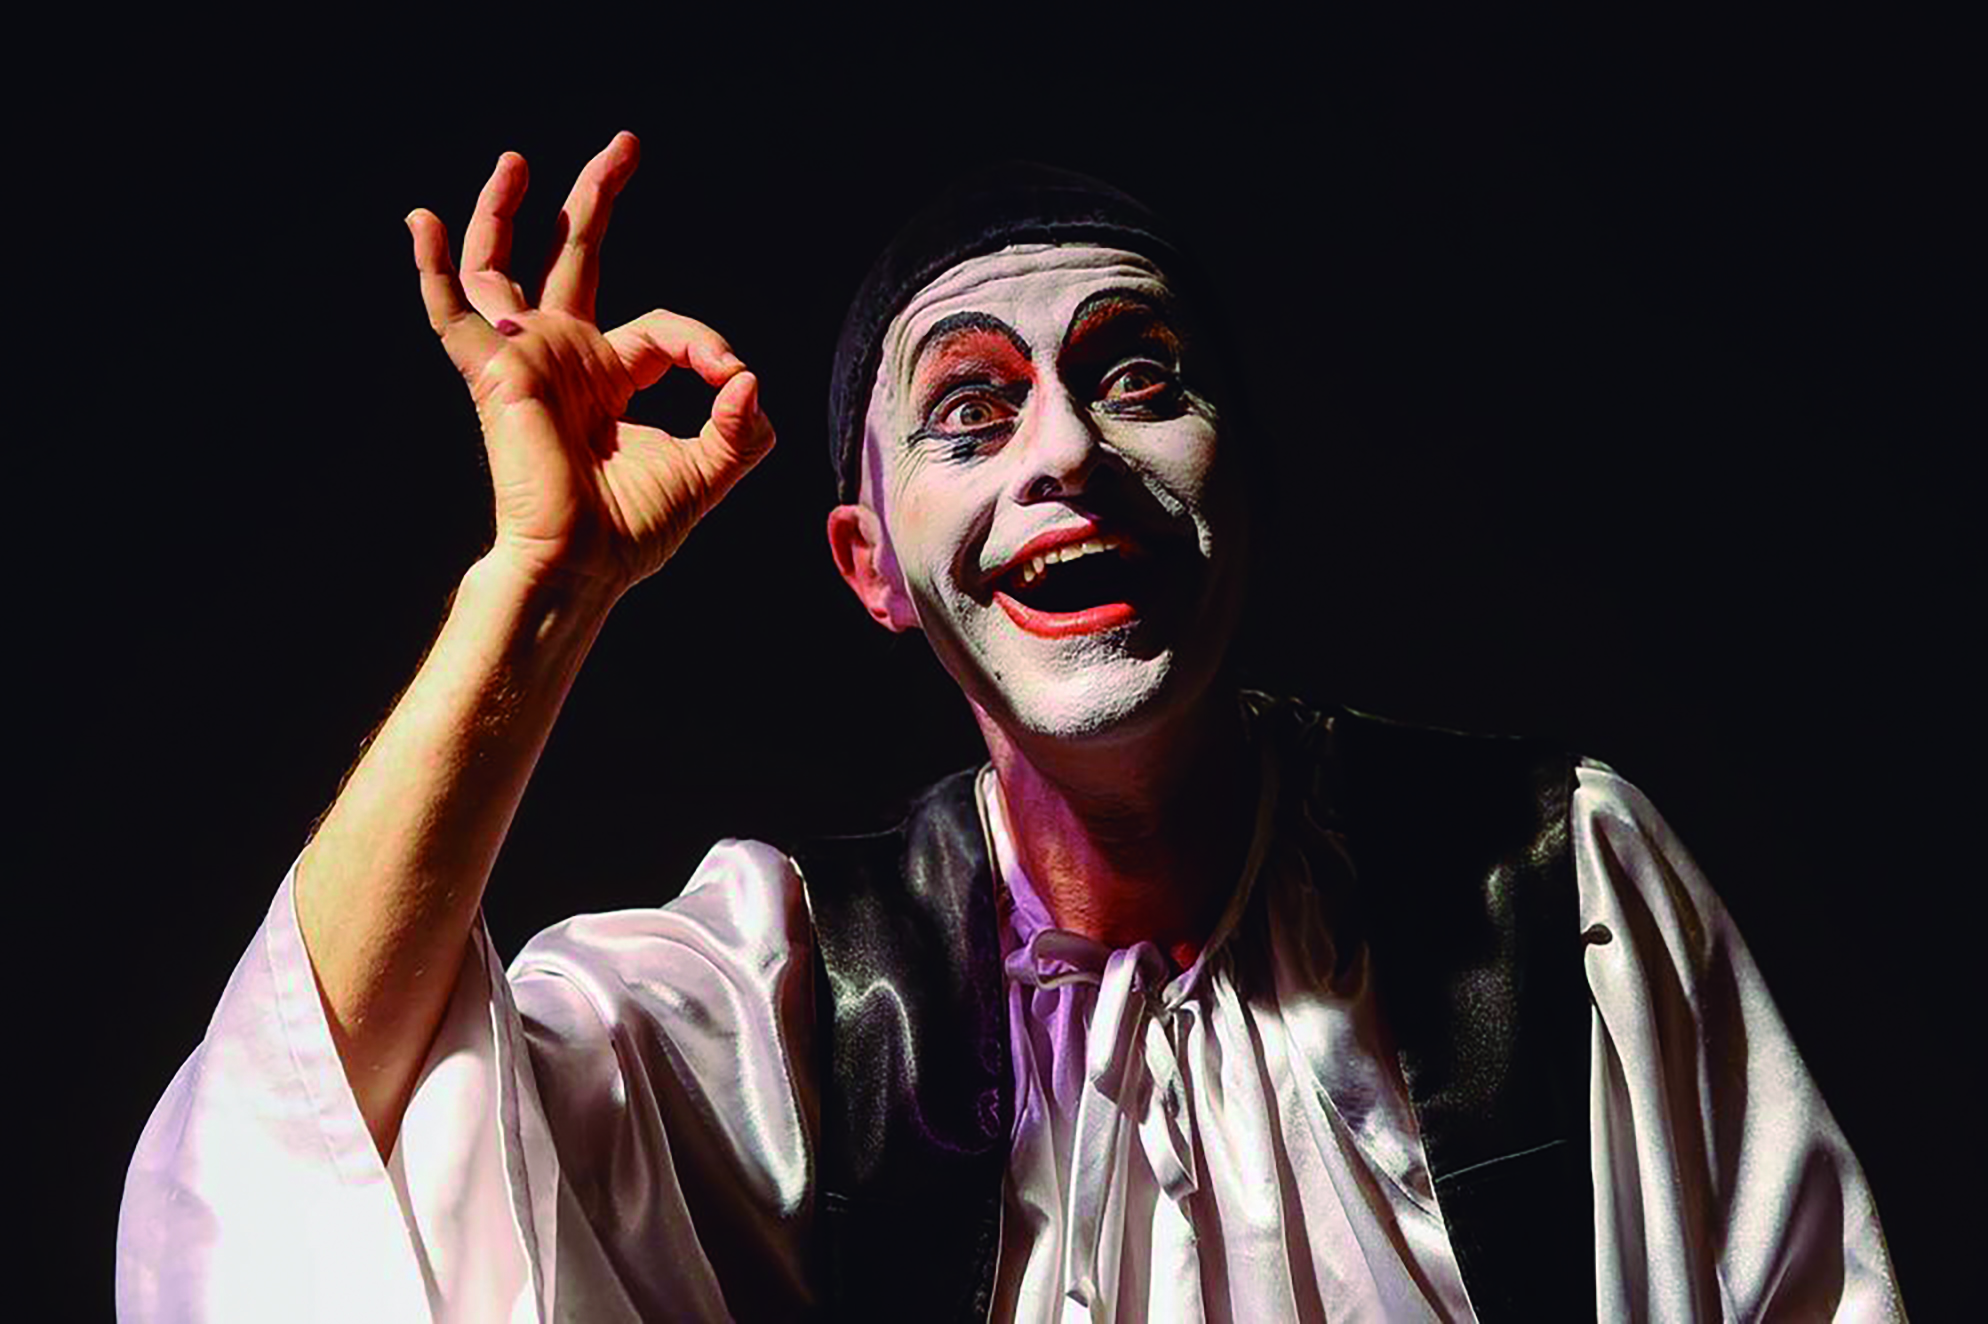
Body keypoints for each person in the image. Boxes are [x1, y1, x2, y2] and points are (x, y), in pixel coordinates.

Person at [117, 132, 1903, 1322]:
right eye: (971, 410)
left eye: (1139, 377)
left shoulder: (1557, 879)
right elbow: (320, 1132)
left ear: (1239, 487)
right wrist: (539, 589)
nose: (1066, 450)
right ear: (873, 567)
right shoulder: (794, 991)